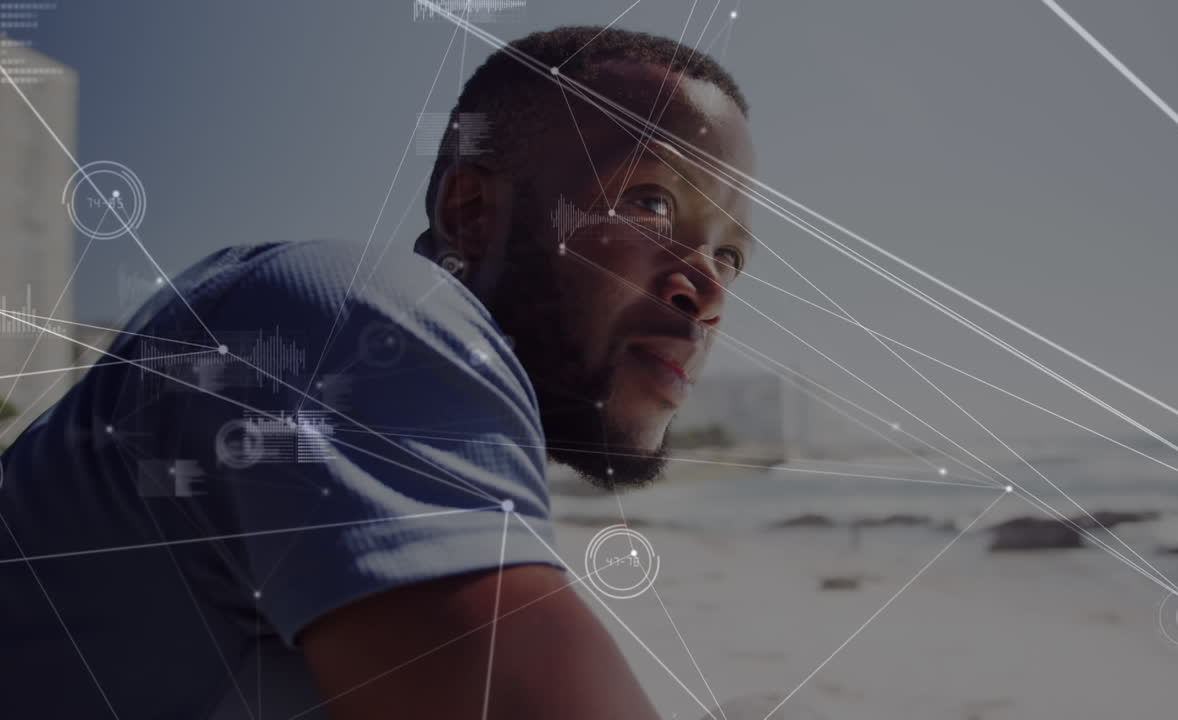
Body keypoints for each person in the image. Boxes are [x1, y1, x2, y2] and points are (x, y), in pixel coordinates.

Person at [0, 25, 756, 719]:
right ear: (470, 213)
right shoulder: (365, 322)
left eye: (730, 252)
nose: (711, 287)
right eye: (650, 202)